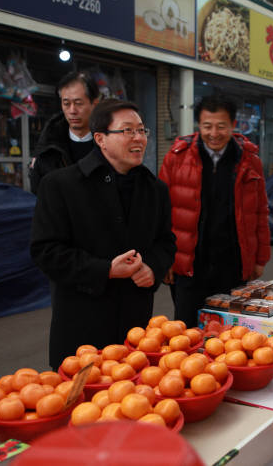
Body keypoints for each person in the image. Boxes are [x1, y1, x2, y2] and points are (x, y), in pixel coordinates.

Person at [30, 98, 176, 369]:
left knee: (136, 403)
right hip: (82, 329)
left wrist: (153, 267)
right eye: (127, 131)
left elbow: (166, 242)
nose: (139, 138)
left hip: (136, 329)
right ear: (100, 138)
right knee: (82, 405)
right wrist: (105, 269)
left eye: (142, 130)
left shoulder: (155, 189)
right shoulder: (60, 186)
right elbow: (46, 251)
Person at [159, 94, 270, 328]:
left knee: (228, 334)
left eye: (221, 126)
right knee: (186, 331)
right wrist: (165, 259)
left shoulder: (250, 160)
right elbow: (161, 212)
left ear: (233, 125)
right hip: (189, 266)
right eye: (207, 126)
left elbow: (260, 211)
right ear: (199, 125)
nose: (214, 133)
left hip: (232, 264)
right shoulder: (176, 158)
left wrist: (259, 259)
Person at [29, 71, 100, 194]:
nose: (72, 110)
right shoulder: (48, 148)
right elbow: (39, 194)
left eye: (78, 103)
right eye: (66, 103)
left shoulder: (110, 144)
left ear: (94, 104)